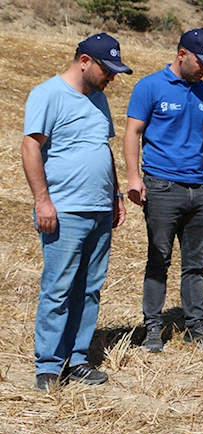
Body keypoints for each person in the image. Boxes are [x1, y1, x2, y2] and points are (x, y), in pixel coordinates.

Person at [22, 33, 132, 391]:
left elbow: (103, 149)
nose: (111, 78)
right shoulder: (47, 95)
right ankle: (49, 366)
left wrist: (115, 195)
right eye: (107, 69)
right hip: (65, 210)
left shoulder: (98, 99)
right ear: (84, 61)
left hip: (100, 210)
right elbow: (30, 148)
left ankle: (78, 358)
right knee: (58, 288)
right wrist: (43, 200)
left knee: (89, 289)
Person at [124, 28, 203, 352]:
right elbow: (132, 134)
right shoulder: (150, 87)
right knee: (159, 259)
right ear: (182, 54)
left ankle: (196, 326)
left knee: (196, 262)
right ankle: (152, 328)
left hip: (198, 189)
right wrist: (132, 178)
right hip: (162, 185)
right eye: (202, 62)